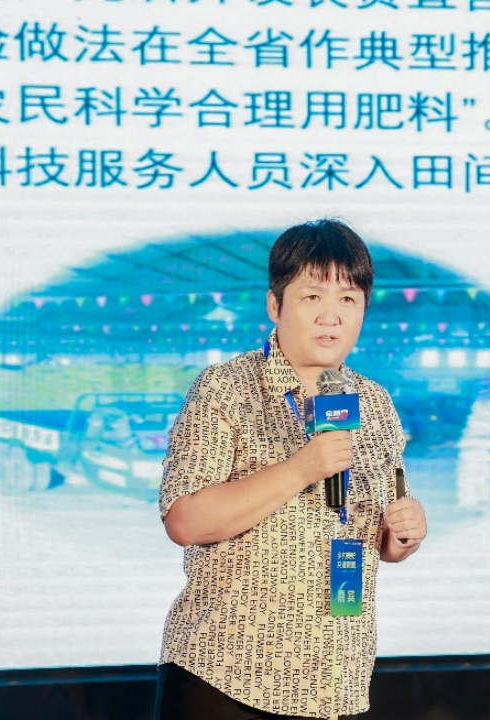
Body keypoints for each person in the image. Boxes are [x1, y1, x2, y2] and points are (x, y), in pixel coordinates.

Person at [154, 219, 427, 720]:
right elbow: (185, 520)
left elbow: (379, 537)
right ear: (274, 305)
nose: (331, 316)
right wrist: (301, 469)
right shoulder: (225, 388)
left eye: (348, 299)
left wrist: (402, 536)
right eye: (312, 297)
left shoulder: (374, 402)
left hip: (335, 680)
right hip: (228, 677)